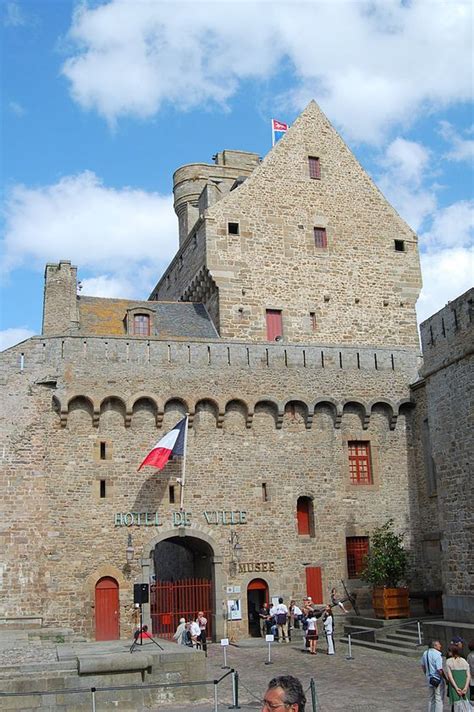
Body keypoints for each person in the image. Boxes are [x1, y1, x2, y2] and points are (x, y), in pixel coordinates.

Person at [421, 640, 446, 712]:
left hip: (429, 678)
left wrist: (426, 674)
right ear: (434, 646)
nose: (440, 646)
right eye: (439, 644)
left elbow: (423, 666)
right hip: (437, 679)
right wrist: (445, 678)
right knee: (439, 698)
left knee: (431, 698)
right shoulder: (437, 654)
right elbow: (439, 669)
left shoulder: (425, 653)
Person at [445, 644, 471, 711]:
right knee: (465, 705)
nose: (448, 652)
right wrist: (465, 687)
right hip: (464, 684)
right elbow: (468, 676)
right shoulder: (464, 661)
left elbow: (450, 677)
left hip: (455, 685)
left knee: (456, 705)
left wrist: (456, 688)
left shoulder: (449, 661)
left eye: (450, 651)